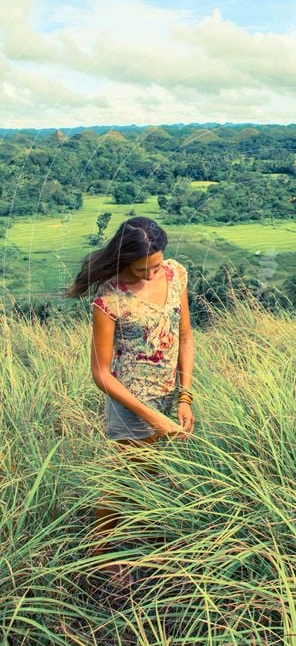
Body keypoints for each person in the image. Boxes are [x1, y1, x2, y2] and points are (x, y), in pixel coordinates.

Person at [65, 216, 195, 588]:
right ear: (123, 261)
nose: (152, 274)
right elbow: (102, 374)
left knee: (151, 474)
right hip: (131, 403)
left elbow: (185, 336)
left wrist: (185, 397)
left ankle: (147, 541)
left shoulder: (174, 274)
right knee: (123, 478)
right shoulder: (109, 299)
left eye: (156, 264)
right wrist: (151, 417)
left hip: (169, 396)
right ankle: (99, 555)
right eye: (141, 269)